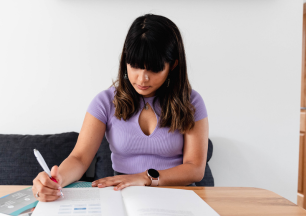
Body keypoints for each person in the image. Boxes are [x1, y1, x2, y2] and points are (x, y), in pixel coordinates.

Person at [32, 14, 208, 202]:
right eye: (135, 66)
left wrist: (144, 178)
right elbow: (80, 158)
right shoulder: (105, 102)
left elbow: (195, 168)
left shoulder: (191, 102)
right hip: (126, 197)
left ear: (173, 65)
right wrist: (57, 180)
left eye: (154, 69)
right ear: (125, 61)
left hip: (179, 195)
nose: (142, 79)